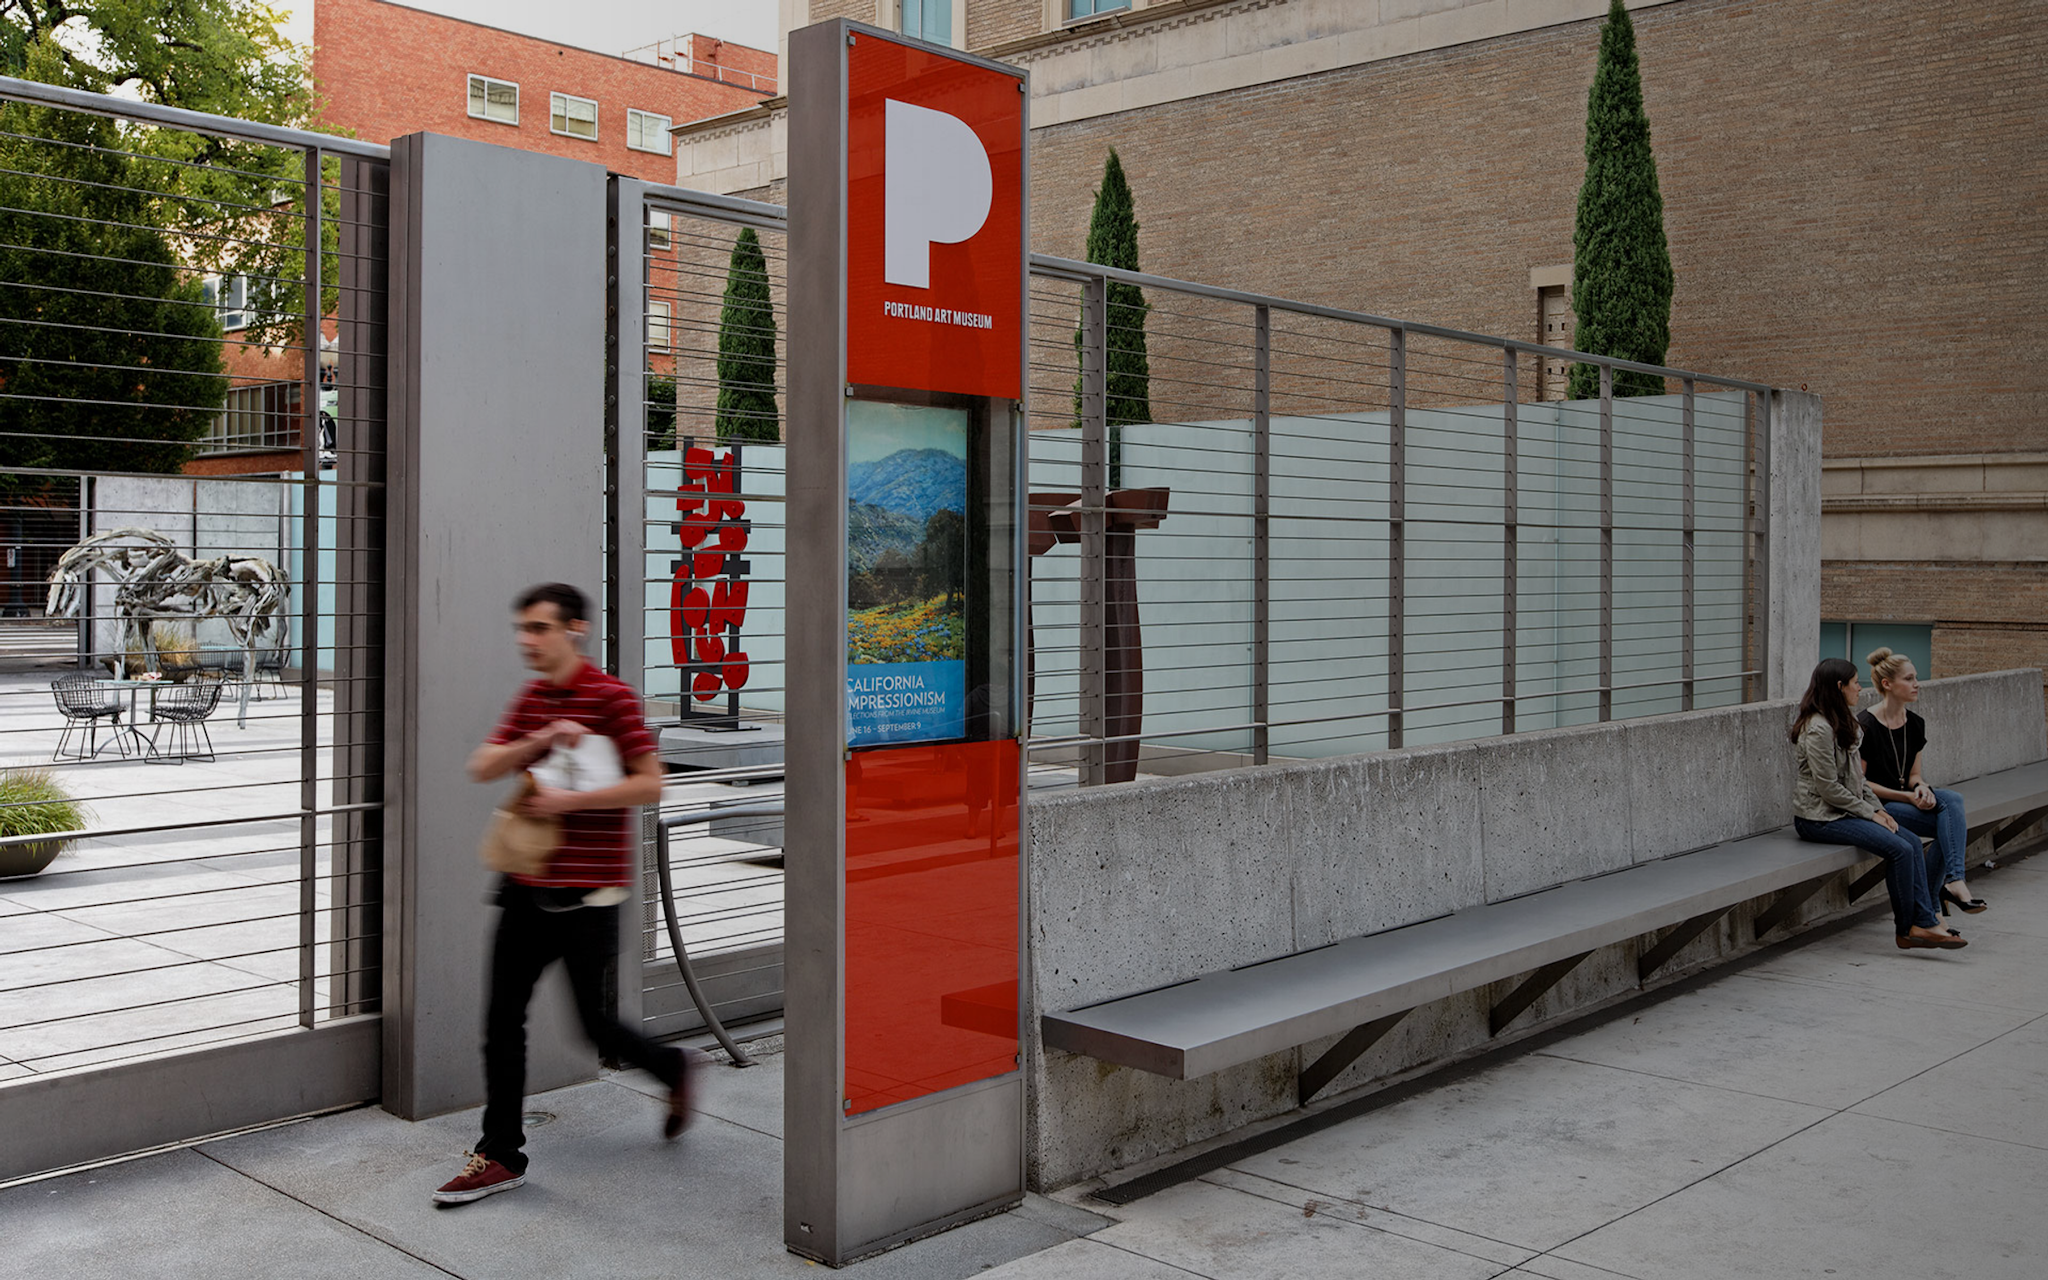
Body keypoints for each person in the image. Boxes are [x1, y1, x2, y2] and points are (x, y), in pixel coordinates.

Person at [433, 582, 688, 1206]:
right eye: (522, 629)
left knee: (595, 1029)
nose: (527, 640)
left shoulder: (613, 699)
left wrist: (571, 799)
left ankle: (675, 1068)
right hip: (523, 888)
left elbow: (652, 786)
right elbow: (482, 766)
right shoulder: (535, 697)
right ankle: (500, 1155)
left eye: (540, 628)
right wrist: (540, 739)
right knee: (501, 1023)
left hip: (588, 898)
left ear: (575, 629)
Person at [1788, 657, 1964, 952]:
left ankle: (1924, 921)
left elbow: (1859, 780)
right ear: (1840, 687)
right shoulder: (1818, 728)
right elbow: (1828, 789)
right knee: (1899, 848)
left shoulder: (1843, 722)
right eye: (1855, 683)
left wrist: (1880, 810)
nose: (1860, 688)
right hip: (1819, 818)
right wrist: (1871, 813)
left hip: (1845, 812)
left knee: (1908, 840)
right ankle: (1908, 928)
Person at [1857, 648, 1985, 915]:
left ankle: (1945, 888)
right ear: (1887, 684)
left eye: (1916, 678)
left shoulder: (1915, 723)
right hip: (1879, 808)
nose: (1917, 684)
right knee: (1950, 824)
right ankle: (1945, 889)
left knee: (1952, 805)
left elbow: (1914, 775)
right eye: (1909, 678)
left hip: (1907, 801)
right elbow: (1860, 784)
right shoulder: (1865, 724)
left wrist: (1921, 788)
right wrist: (1906, 796)